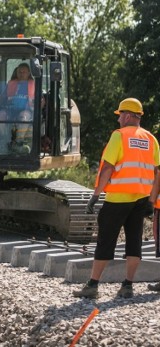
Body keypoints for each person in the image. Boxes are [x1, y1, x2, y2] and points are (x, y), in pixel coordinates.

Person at [73, 97, 158, 299]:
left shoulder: (119, 136)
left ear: (127, 115)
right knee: (134, 241)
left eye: (120, 115)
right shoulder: (151, 139)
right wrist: (151, 201)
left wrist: (95, 196)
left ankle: (93, 286)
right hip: (141, 199)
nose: (119, 119)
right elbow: (157, 172)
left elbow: (108, 168)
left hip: (118, 198)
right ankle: (127, 285)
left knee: (105, 241)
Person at [0, 62, 36, 151]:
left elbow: (41, 101)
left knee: (23, 117)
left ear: (29, 73)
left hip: (27, 110)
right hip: (10, 110)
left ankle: (19, 142)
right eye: (19, 72)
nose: (21, 74)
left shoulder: (34, 85)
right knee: (0, 115)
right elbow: (2, 97)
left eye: (24, 72)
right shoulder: (11, 84)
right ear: (16, 73)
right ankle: (5, 140)